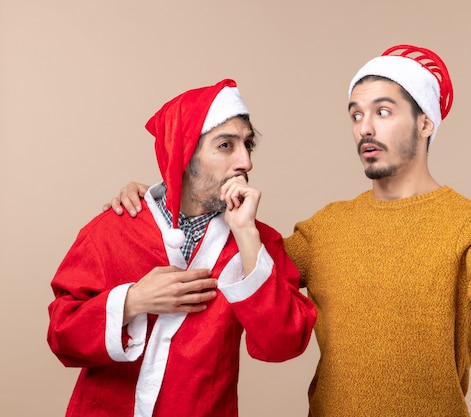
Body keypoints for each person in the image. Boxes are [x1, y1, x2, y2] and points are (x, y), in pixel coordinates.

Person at [106, 45, 471, 416]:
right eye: (355, 114)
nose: (365, 127)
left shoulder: (468, 222)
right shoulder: (327, 228)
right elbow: (238, 275)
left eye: (383, 112)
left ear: (426, 122)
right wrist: (164, 196)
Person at [47, 78, 317, 417]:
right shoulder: (114, 228)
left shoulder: (260, 241)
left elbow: (283, 344)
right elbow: (61, 334)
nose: (245, 162)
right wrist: (132, 302)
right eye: (225, 146)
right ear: (184, 154)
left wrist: (247, 235)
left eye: (248, 145)